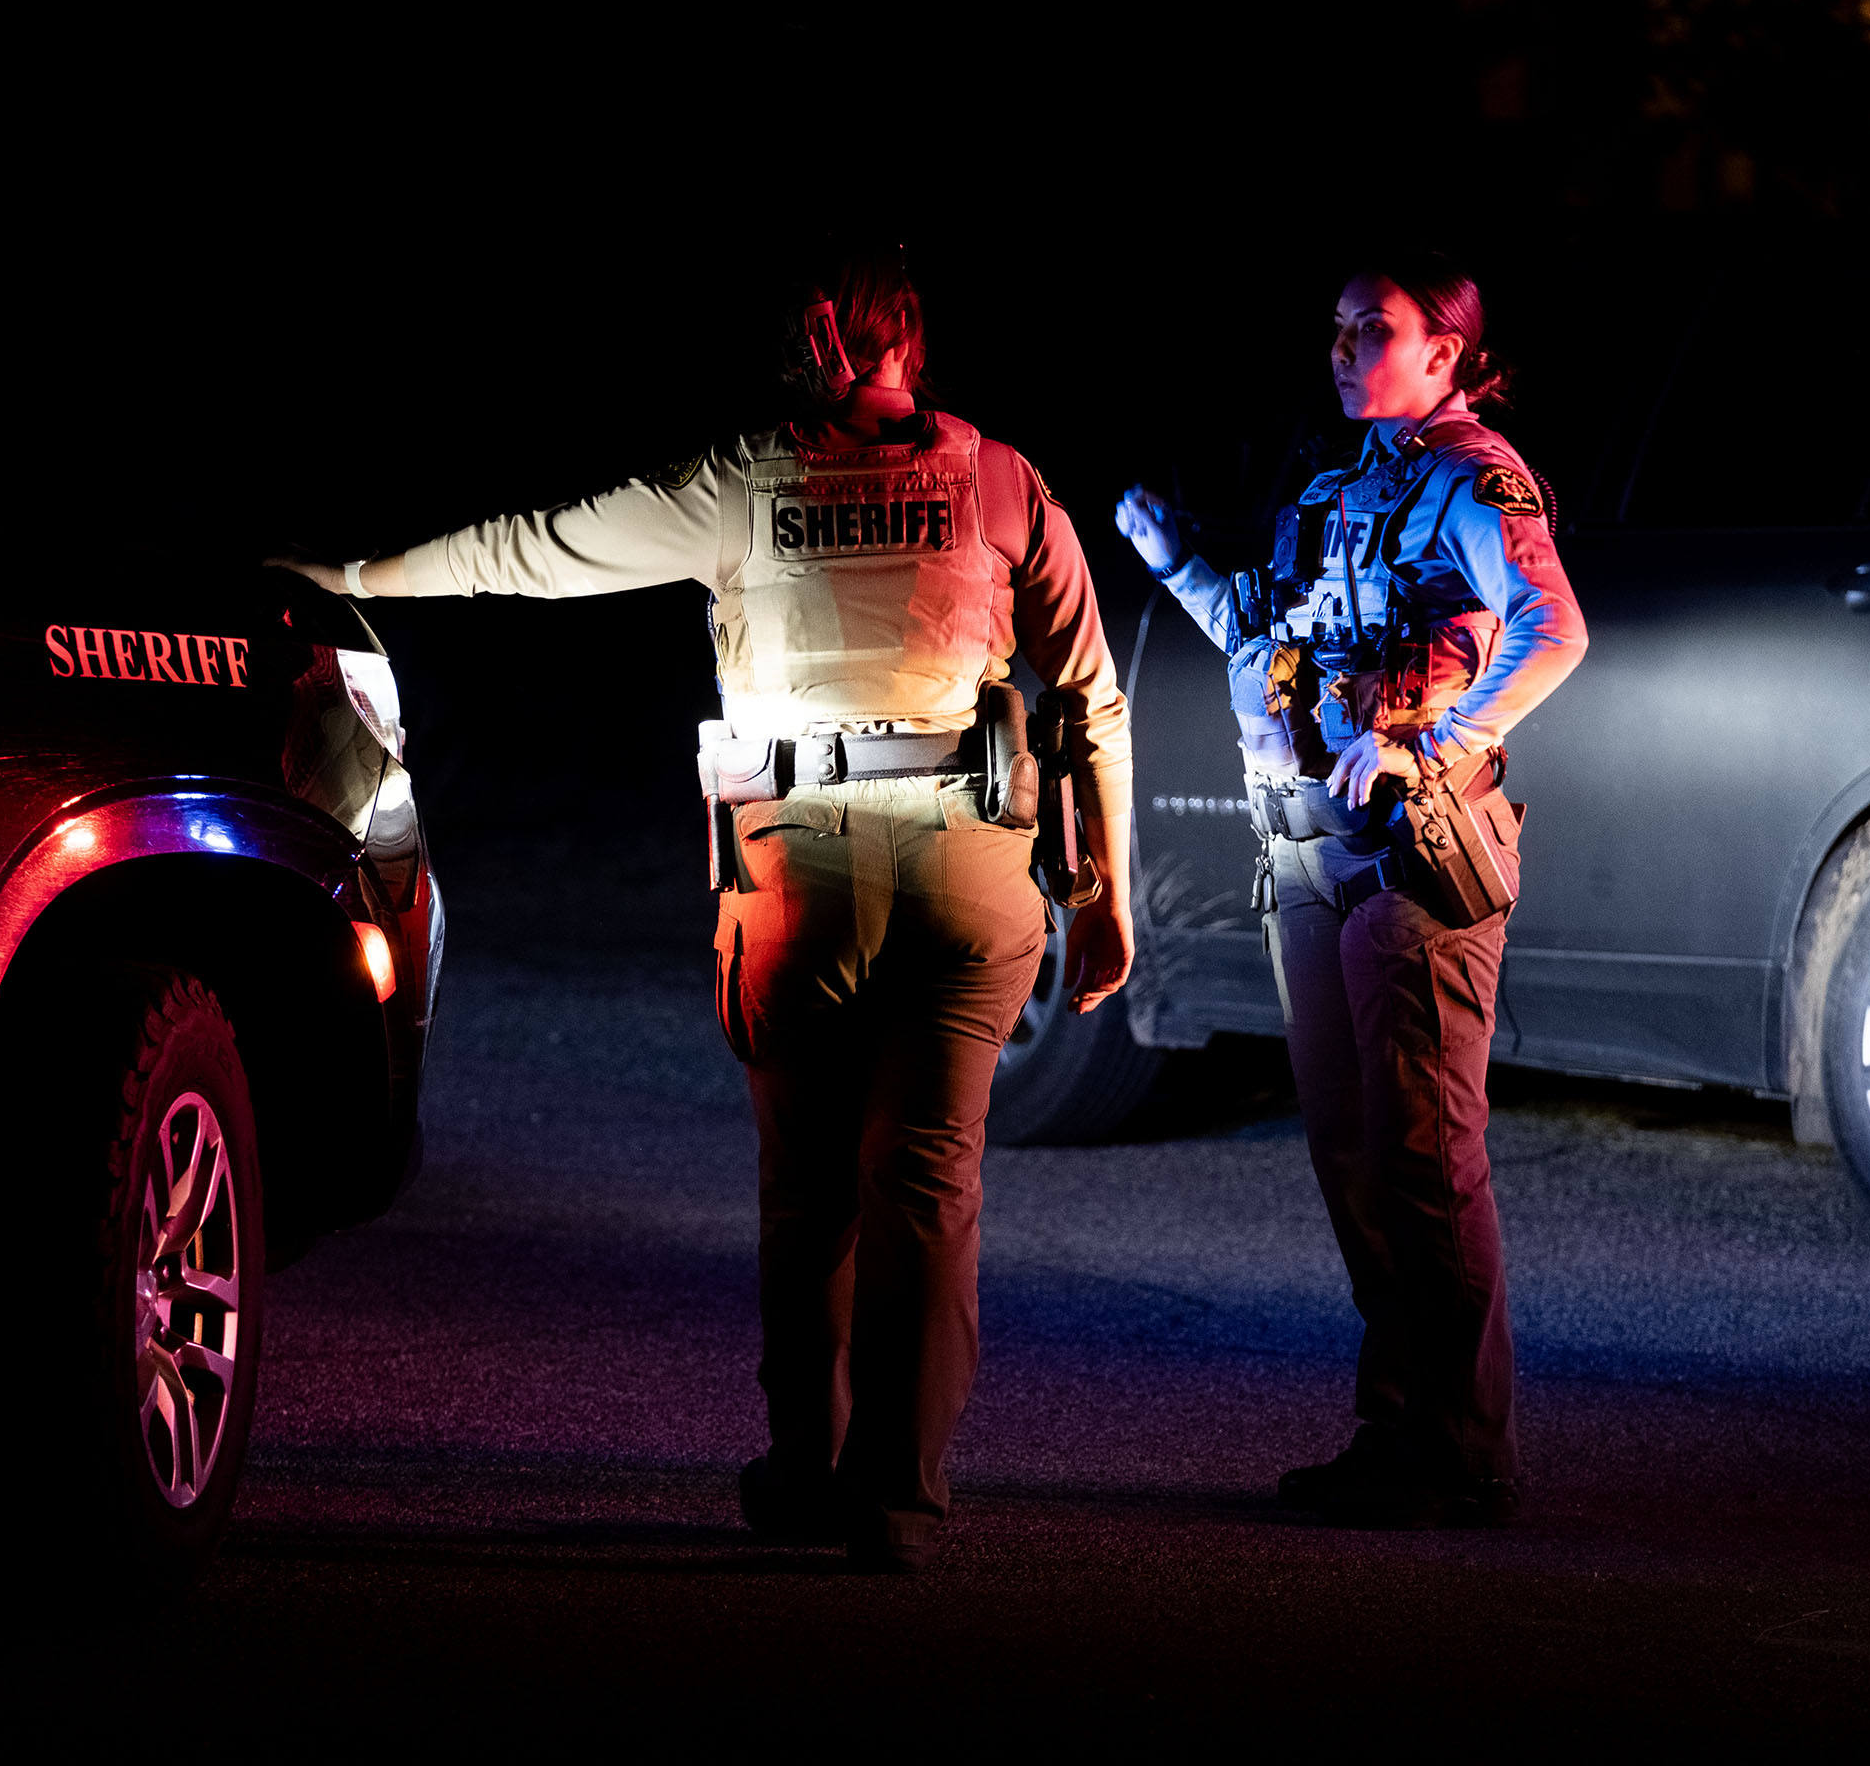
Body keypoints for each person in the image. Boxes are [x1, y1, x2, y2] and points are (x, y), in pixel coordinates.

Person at [278, 252, 1135, 1571]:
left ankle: (806, 1469)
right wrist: (1108, 893)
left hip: (799, 865)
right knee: (929, 1186)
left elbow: (540, 551)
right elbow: (1088, 697)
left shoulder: (748, 481)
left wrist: (357, 575)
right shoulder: (1005, 482)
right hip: (968, 865)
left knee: (809, 1195)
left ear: (826, 340)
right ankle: (899, 1497)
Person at [1115, 254, 1586, 1528]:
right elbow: (1272, 646)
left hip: (1407, 852)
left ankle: (1468, 1447)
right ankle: (1401, 1427)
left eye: (1372, 328)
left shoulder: (1471, 477)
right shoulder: (1335, 485)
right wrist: (1174, 563)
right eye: (1334, 327)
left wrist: (1431, 743)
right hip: (1305, 851)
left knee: (1428, 1154)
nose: (1340, 347)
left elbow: (1556, 630)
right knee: (1355, 1157)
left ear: (1447, 351)